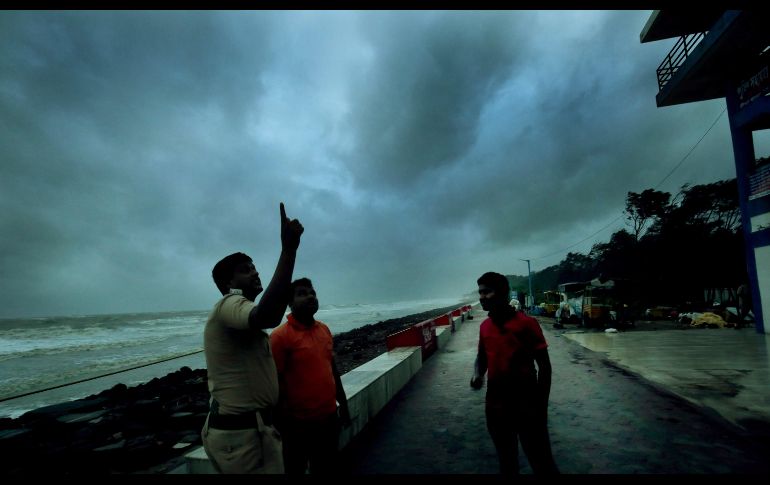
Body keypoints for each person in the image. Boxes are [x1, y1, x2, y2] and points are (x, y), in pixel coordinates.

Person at [200, 202, 304, 474]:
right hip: (241, 437)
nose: (256, 272)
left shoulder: (242, 316)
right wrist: (289, 250)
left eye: (254, 267)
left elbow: (271, 312)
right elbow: (269, 316)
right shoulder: (228, 304)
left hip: (255, 429)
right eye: (246, 269)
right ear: (228, 285)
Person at [470, 271, 559, 475]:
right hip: (495, 405)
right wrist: (477, 375)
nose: (481, 297)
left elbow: (544, 366)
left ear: (502, 293)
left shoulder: (526, 324)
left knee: (542, 462)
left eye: (487, 292)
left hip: (526, 403)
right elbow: (482, 357)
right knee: (507, 463)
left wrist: (541, 407)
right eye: (480, 292)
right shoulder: (485, 327)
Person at [270, 277, 351, 475]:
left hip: (329, 418)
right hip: (298, 425)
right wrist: (283, 425)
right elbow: (274, 383)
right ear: (290, 303)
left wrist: (344, 405)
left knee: (327, 467)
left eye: (312, 293)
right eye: (302, 294)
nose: (310, 297)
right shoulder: (280, 337)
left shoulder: (324, 329)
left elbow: (332, 370)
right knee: (295, 470)